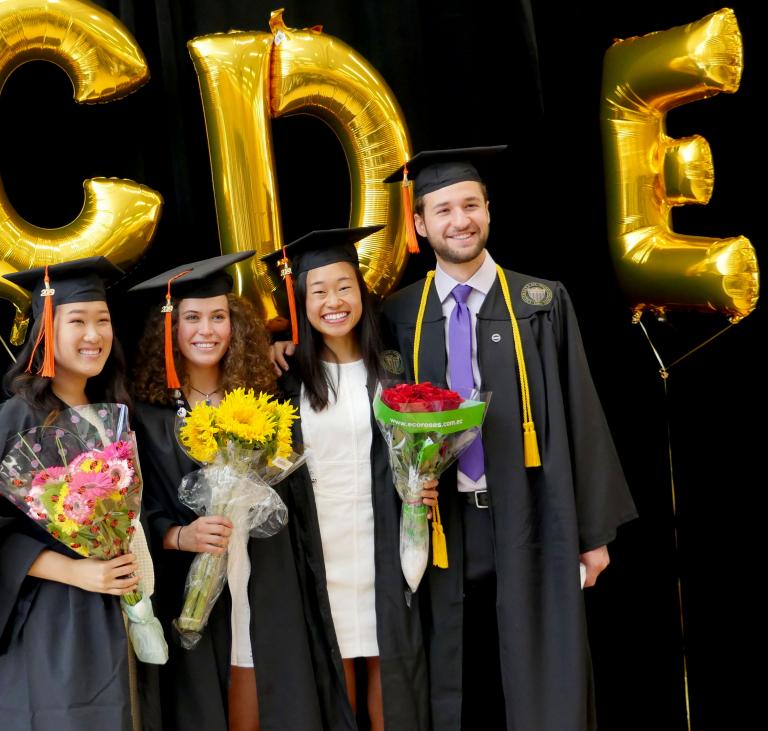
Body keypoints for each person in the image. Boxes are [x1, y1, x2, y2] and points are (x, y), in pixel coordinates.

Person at [379, 147, 638, 730]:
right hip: (443, 526)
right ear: (420, 225)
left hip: (533, 517)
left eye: (471, 205)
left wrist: (593, 532)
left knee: (540, 671)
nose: (460, 220)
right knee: (457, 678)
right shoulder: (399, 314)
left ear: (489, 213)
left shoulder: (540, 302)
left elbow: (583, 416)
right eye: (443, 209)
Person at [127, 251, 354, 731]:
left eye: (219, 317)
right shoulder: (144, 417)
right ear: (170, 329)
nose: (206, 330)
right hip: (185, 580)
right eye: (192, 318)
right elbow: (131, 509)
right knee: (203, 702)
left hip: (263, 571)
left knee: (266, 686)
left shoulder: (265, 402)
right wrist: (177, 536)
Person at [0, 257, 155, 730]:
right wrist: (77, 571)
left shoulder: (114, 414)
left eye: (102, 321)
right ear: (46, 331)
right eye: (77, 321)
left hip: (118, 606)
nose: (94, 335)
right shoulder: (18, 418)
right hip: (54, 618)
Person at [262, 228, 433, 729]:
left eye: (344, 286)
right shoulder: (286, 376)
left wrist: (422, 480)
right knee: (331, 657)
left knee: (386, 653)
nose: (333, 301)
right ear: (301, 301)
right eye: (319, 291)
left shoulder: (395, 364)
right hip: (317, 539)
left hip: (381, 531)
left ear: (362, 292)